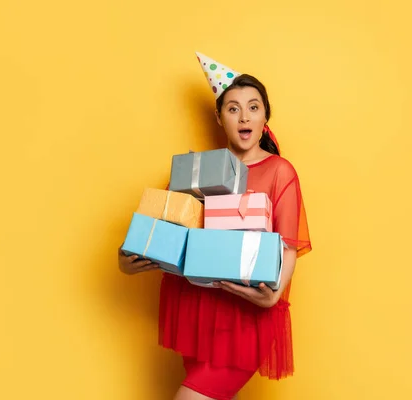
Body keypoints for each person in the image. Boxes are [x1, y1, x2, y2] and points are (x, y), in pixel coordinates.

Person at [118, 53, 312, 400]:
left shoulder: (281, 171)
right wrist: (128, 259)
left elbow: (288, 246)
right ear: (219, 117)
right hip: (197, 313)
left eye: (253, 107)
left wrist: (274, 295)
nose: (244, 116)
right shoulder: (198, 170)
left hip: (245, 318)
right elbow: (165, 228)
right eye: (233, 108)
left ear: (265, 116)